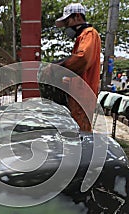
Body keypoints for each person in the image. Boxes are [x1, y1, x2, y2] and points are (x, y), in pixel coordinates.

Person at [54, 3, 101, 132]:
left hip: (83, 98)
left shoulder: (89, 34)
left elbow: (81, 59)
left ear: (78, 17)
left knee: (81, 134)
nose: (67, 26)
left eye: (68, 21)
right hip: (78, 97)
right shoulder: (81, 38)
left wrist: (57, 68)